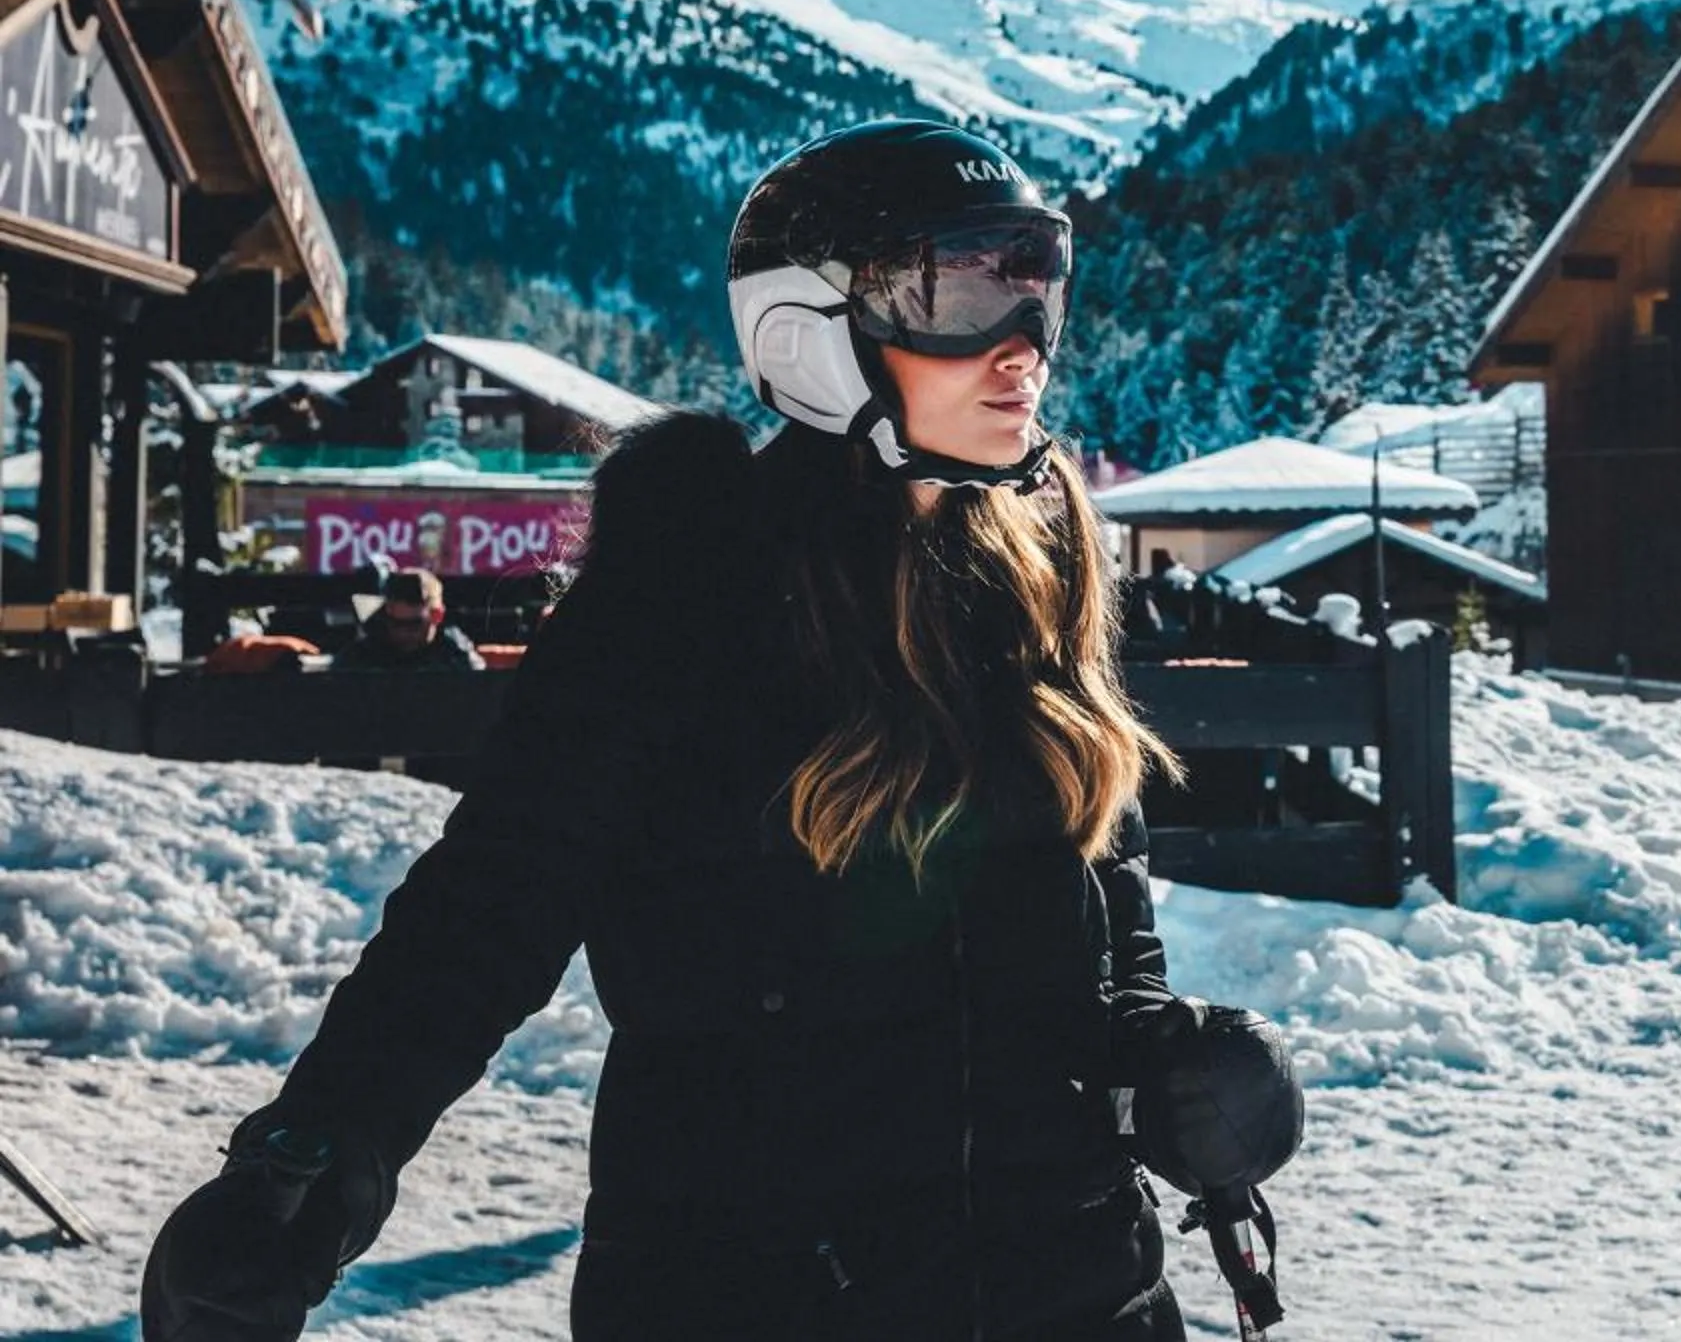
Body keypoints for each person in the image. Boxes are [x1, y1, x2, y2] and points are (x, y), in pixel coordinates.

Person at [142, 121, 1302, 1342]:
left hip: (1078, 1291)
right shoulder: (684, 595)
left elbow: (1102, 894)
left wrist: (1171, 1068)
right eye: (961, 294)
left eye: (1037, 288)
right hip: (759, 1294)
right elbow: (486, 910)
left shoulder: (1034, 571)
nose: (1022, 346)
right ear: (811, 332)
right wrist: (312, 1160)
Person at [326, 568, 486, 674]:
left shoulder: (456, 658)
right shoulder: (360, 658)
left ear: (437, 616)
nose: (402, 633)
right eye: (394, 623)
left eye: (413, 625)